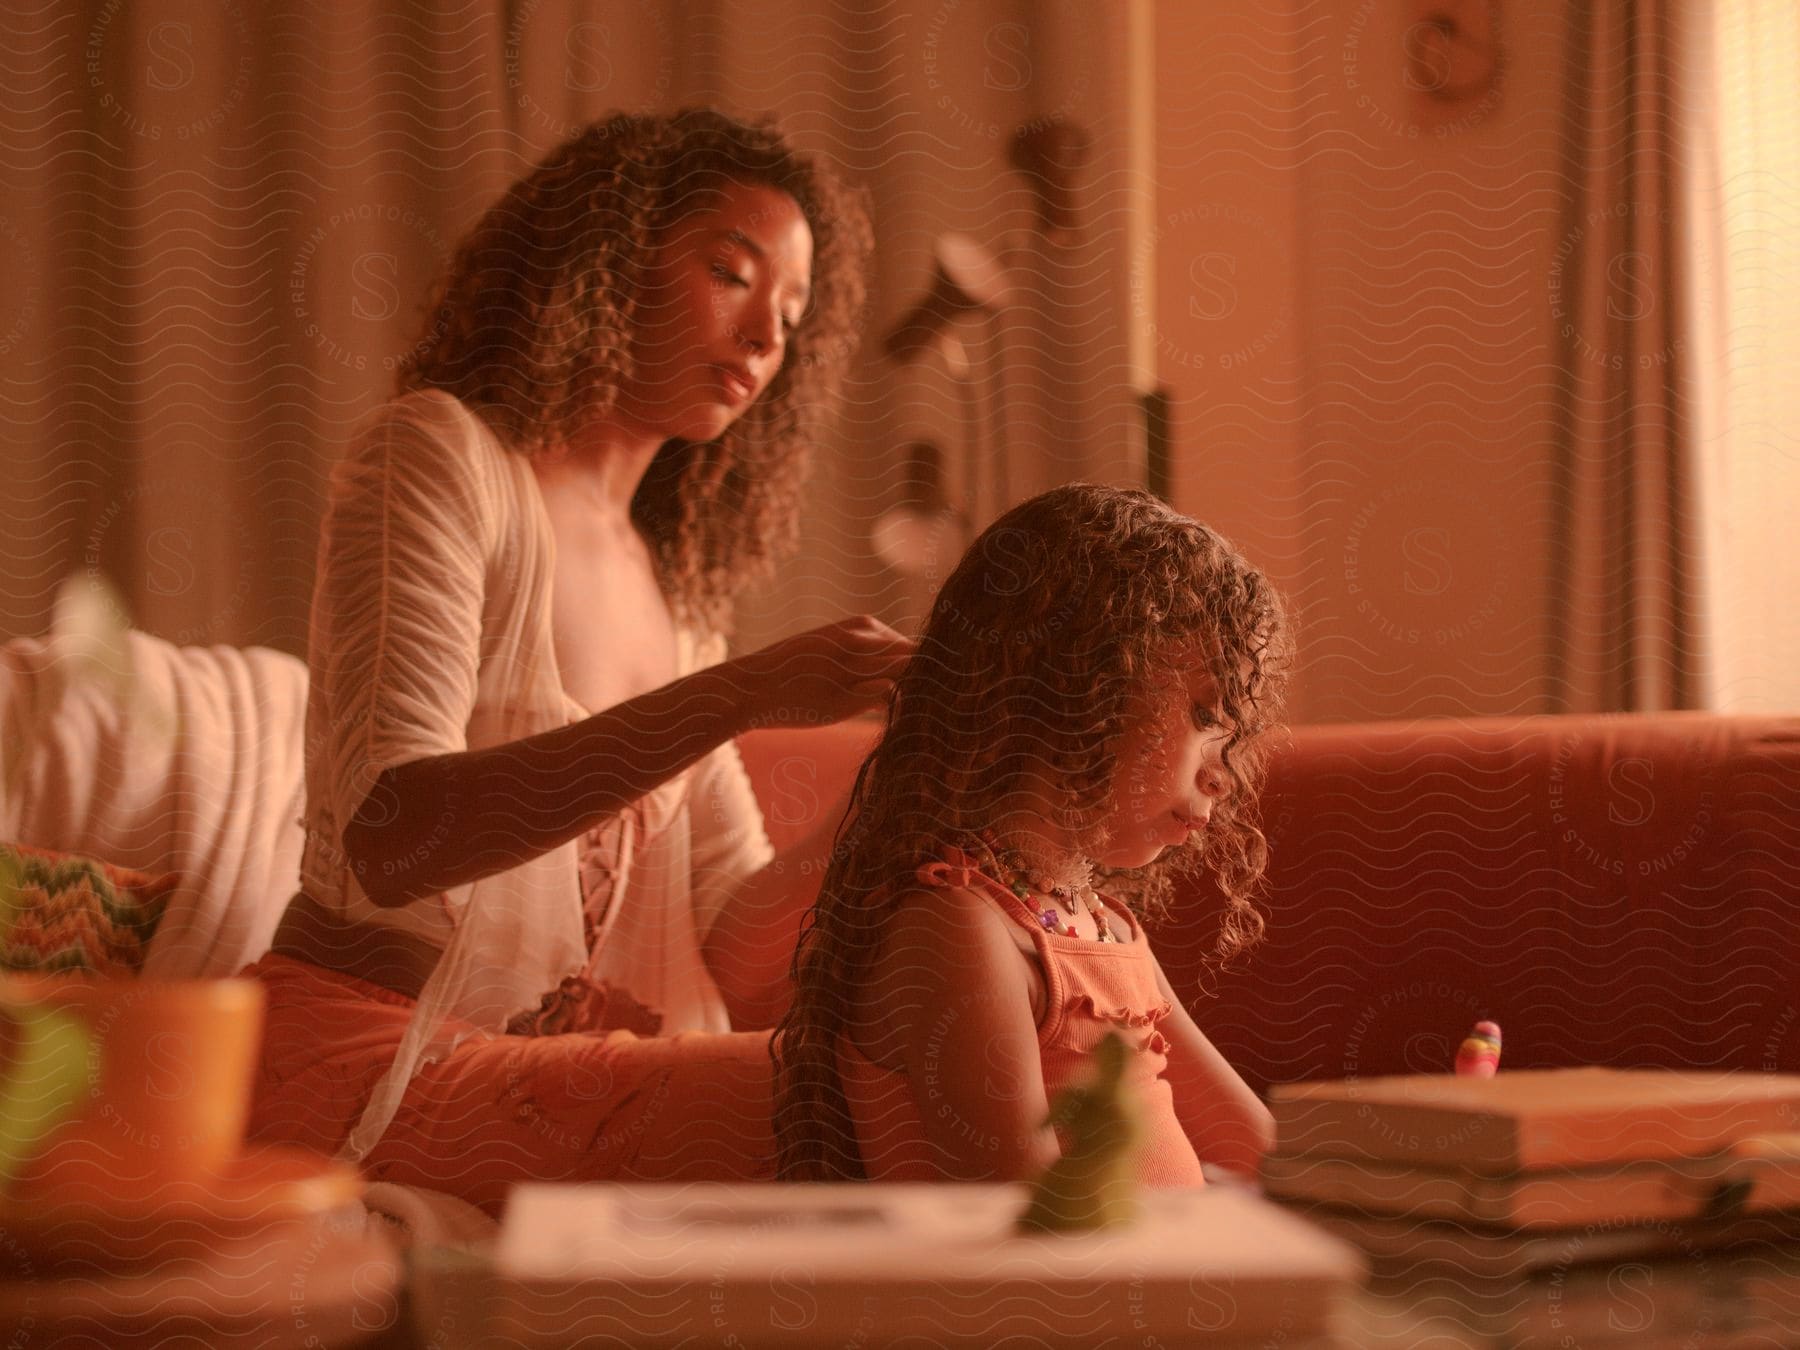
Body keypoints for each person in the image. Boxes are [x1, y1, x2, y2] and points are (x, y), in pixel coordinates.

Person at [243, 108, 912, 1213]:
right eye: (731, 274)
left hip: (509, 1072)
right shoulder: (442, 455)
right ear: (605, 259)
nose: (763, 339)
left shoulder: (676, 590)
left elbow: (742, 954)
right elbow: (394, 834)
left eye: (791, 316)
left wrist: (900, 785)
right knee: (851, 1106)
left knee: (887, 1082)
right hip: (362, 1061)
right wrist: (737, 695)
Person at [774, 484, 1289, 1185]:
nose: (1223, 775)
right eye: (1204, 716)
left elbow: (1261, 1150)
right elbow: (1027, 1239)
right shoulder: (957, 929)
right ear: (1084, 681)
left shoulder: (1101, 926)